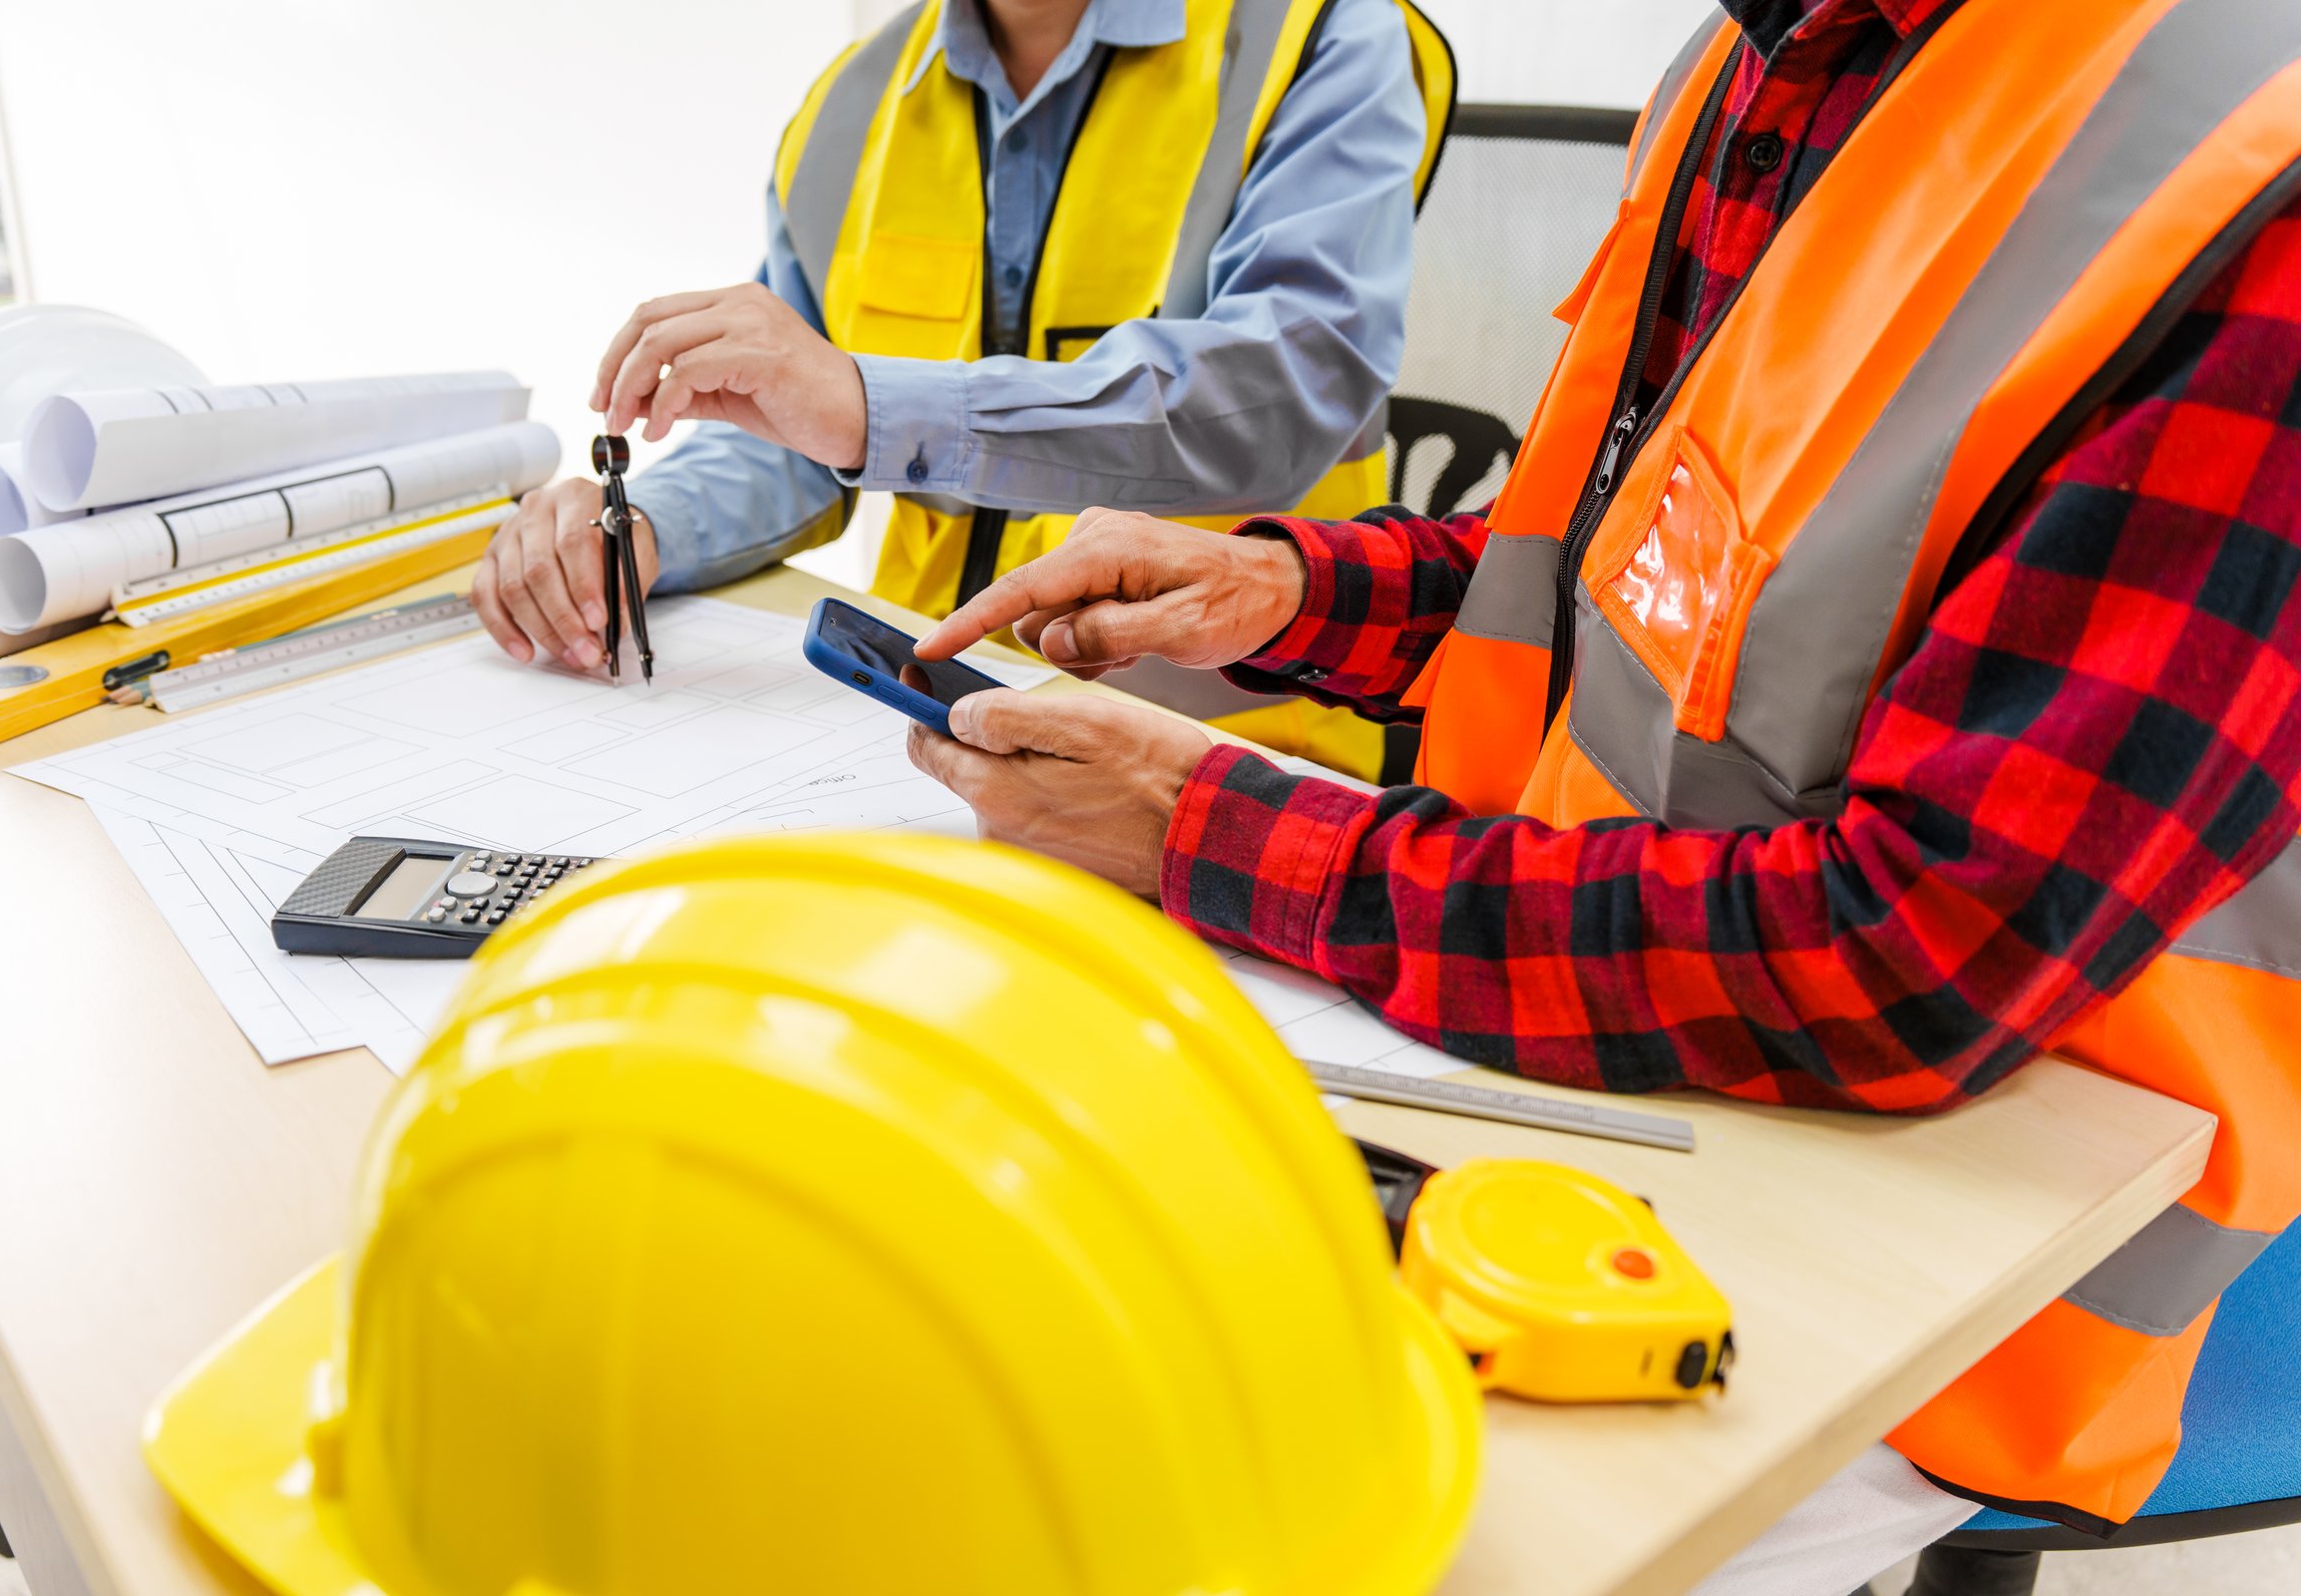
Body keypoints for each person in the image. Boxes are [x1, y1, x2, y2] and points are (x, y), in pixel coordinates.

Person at [905, 0, 2301, 1591]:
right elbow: (1632, 571)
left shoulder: (2243, 181)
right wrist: (1286, 591)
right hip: (1592, 1057)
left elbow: (1912, 954)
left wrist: (1212, 830)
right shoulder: (1765, 55)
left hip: (1963, 1245)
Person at [470, 0, 1453, 780]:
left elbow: (1281, 391)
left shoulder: (1324, 34)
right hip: (908, 729)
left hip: (1232, 759)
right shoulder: (850, 105)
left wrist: (869, 404)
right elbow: (801, 428)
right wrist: (645, 528)